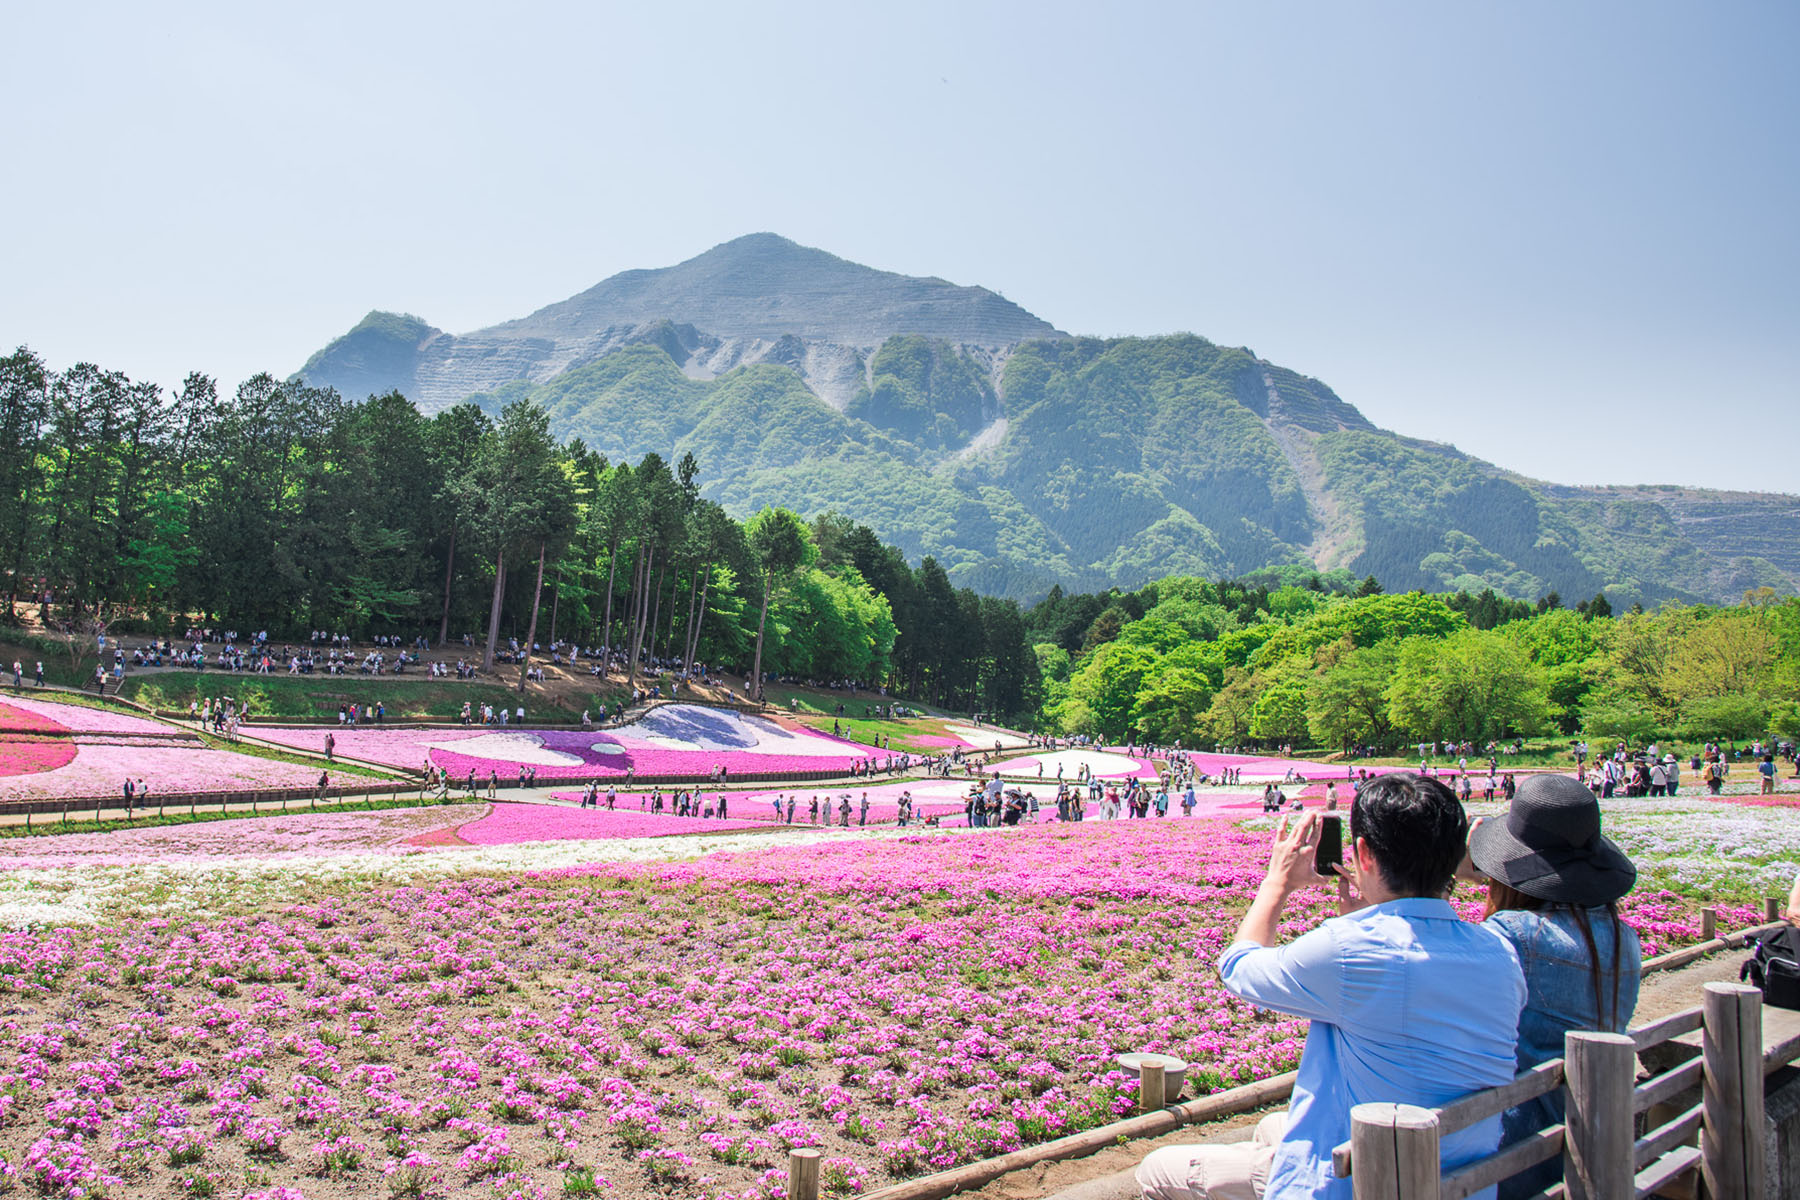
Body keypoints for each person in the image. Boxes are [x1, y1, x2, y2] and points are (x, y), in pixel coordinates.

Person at [1137, 774, 1525, 1200]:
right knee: (1271, 1126)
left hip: (1368, 1180)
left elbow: (1239, 968)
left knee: (1156, 1169)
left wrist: (1277, 883)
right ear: (1457, 854)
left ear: (1364, 853)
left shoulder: (1349, 951)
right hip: (1461, 1177)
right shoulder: (1499, 952)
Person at [1464, 774, 1641, 1200]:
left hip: (1524, 1151)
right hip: (1600, 1133)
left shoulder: (1513, 937)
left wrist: (1452, 878)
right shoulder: (1623, 938)